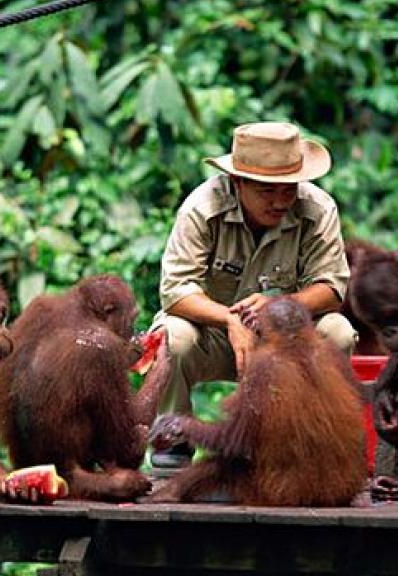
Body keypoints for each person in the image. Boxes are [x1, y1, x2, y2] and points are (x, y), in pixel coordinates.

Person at [149, 121, 357, 471]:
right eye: (266, 190)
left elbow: (332, 288)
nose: (280, 202)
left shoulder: (318, 209)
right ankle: (173, 440)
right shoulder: (202, 208)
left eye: (288, 189)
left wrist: (281, 307)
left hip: (285, 339)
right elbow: (175, 291)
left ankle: (308, 439)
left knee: (336, 331)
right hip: (215, 337)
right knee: (172, 336)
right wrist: (228, 319)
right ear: (237, 182)